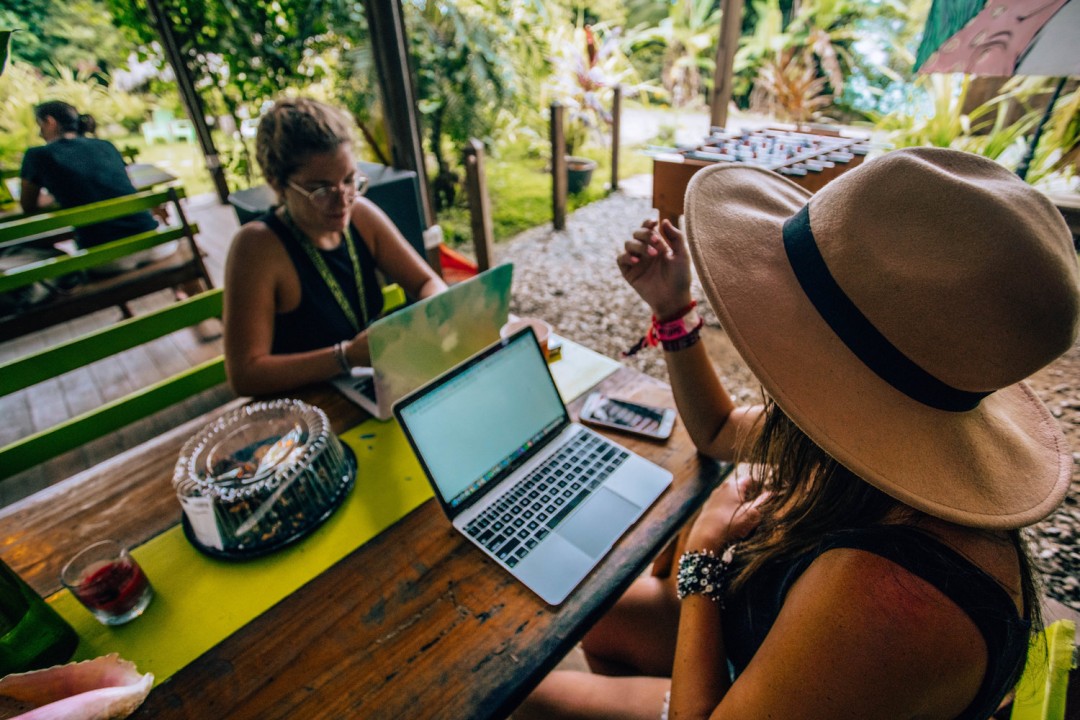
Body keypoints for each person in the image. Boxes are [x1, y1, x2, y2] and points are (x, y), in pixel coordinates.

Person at [517, 148, 1079, 720]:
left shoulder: (892, 597)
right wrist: (672, 310)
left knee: (529, 694)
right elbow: (718, 431)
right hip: (758, 640)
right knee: (594, 624)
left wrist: (704, 560)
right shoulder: (871, 435)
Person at [223, 97, 446, 396]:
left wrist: (436, 311)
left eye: (350, 180)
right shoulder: (257, 247)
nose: (342, 201)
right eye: (320, 189)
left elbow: (427, 282)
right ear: (277, 184)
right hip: (304, 403)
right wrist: (344, 356)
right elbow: (245, 375)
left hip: (369, 384)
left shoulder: (361, 215)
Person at [20, 101, 160, 253]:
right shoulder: (106, 145)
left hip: (105, 257)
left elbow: (28, 205)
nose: (40, 133)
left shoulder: (38, 155)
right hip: (156, 243)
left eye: (40, 125)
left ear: (50, 122)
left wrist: (55, 196)